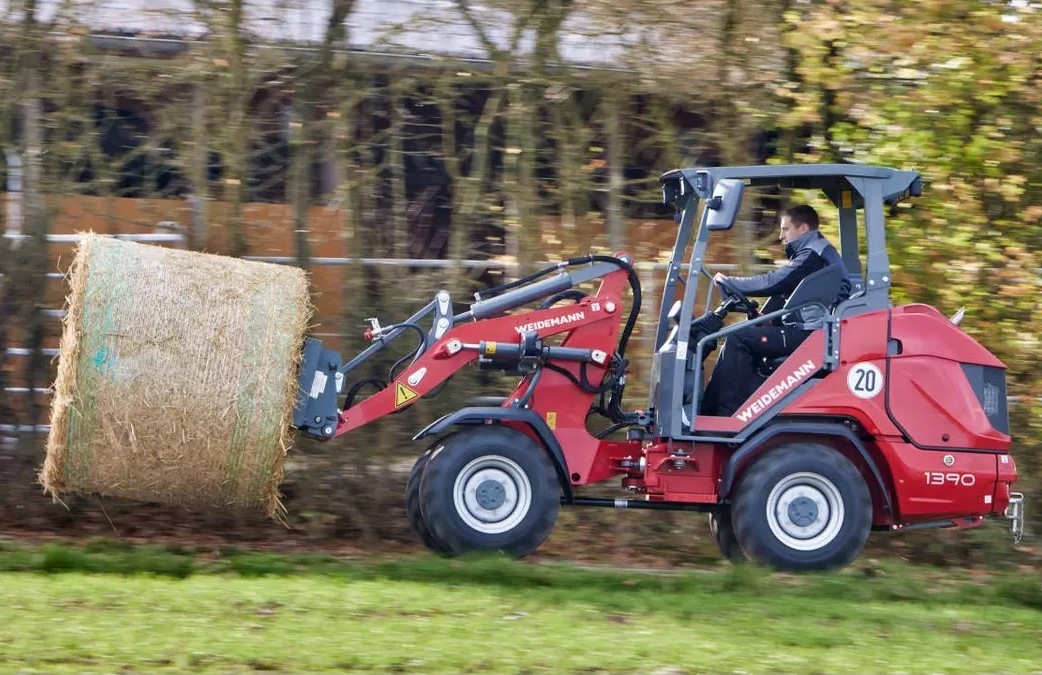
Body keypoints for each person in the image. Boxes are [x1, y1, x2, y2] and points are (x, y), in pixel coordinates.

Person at [699, 204, 846, 417]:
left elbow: (776, 281)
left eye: (786, 229)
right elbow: (787, 292)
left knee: (739, 338)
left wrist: (733, 283)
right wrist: (767, 319)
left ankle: (725, 416)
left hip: (810, 335)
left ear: (803, 228)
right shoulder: (816, 253)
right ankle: (708, 413)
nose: (781, 236)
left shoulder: (812, 255)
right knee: (743, 333)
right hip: (810, 331)